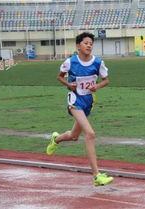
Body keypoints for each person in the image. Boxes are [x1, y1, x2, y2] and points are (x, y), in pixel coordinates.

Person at [46, 32, 114, 186]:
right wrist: (69, 84)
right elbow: (60, 77)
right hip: (75, 101)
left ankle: (55, 139)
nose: (89, 45)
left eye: (91, 43)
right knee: (90, 134)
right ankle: (96, 175)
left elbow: (106, 80)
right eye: (86, 43)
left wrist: (96, 86)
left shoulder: (97, 62)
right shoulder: (70, 62)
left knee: (74, 136)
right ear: (78, 46)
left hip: (88, 102)